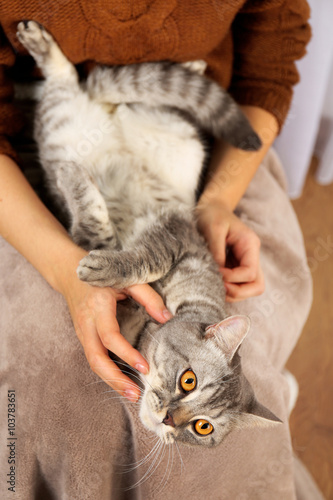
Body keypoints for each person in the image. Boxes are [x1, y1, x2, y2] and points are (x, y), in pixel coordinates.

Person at [1, 3, 325, 499]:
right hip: (37, 123)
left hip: (190, 136)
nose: (174, 415)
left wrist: (218, 201)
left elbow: (271, 59)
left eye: (195, 426)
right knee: (58, 398)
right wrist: (68, 272)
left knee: (241, 408)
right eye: (191, 392)